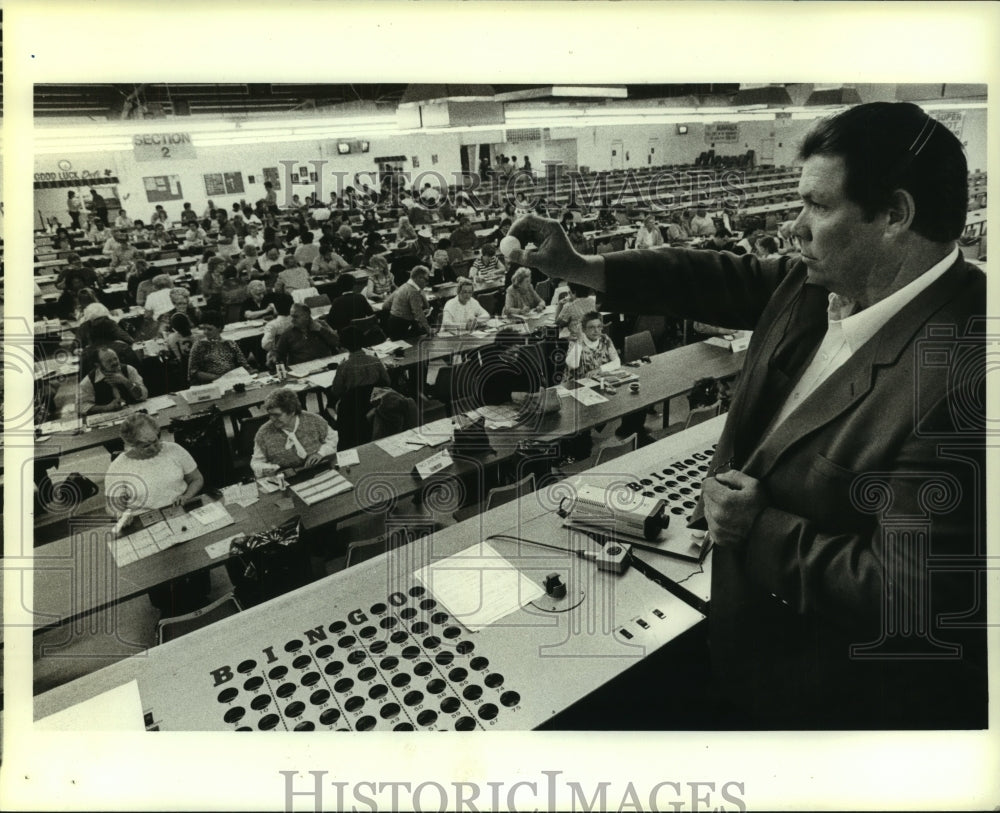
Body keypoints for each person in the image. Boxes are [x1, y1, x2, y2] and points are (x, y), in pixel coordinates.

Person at [505, 101, 987, 730]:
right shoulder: (824, 283)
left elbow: (906, 593)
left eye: (816, 206)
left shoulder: (965, 376)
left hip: (826, 701)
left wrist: (756, 528)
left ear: (895, 214)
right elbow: (708, 277)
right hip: (746, 641)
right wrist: (581, 267)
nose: (795, 227)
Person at [105, 413, 204, 514]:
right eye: (146, 446)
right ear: (131, 445)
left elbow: (196, 479)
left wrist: (187, 496)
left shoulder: (174, 449)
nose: (154, 448)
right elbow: (111, 507)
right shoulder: (118, 466)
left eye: (155, 441)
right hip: (144, 516)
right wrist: (120, 515)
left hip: (180, 508)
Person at [250, 388, 338, 476]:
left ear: (292, 412)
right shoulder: (263, 433)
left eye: (277, 415)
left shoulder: (314, 420)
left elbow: (333, 439)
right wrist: (264, 468)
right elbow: (256, 462)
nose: (272, 419)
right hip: (286, 476)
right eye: (270, 414)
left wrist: (321, 453)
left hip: (319, 469)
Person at [327, 324, 391, 411]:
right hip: (375, 405)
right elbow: (387, 382)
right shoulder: (376, 360)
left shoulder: (343, 367)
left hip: (353, 408)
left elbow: (336, 391)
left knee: (330, 405)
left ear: (343, 346)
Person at [78, 347, 148, 415]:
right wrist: (106, 408)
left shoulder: (129, 370)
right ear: (98, 365)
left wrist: (126, 382)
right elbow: (81, 407)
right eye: (109, 361)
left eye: (115, 359)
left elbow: (143, 395)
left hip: (134, 414)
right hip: (107, 418)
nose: (114, 362)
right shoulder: (89, 381)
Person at [188, 310, 251, 383]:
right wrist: (219, 378)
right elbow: (193, 372)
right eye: (204, 329)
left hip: (233, 381)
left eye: (209, 329)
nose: (205, 332)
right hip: (211, 384)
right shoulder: (199, 345)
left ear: (219, 328)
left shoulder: (230, 344)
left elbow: (244, 365)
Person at [275, 303, 340, 366]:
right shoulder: (288, 332)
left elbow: (337, 342)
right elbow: (279, 353)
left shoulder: (321, 325)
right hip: (302, 369)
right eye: (291, 316)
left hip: (325, 365)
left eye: (295, 317)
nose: (292, 320)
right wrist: (273, 357)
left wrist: (321, 330)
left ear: (307, 316)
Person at [564, 311, 620, 379]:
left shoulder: (604, 339)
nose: (596, 330)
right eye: (591, 327)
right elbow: (573, 365)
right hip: (576, 384)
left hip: (596, 380)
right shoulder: (575, 342)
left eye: (599, 326)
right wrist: (579, 341)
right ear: (583, 329)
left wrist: (599, 370)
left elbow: (617, 362)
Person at [386, 265, 433, 339]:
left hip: (393, 321)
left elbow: (386, 305)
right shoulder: (413, 291)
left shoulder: (404, 286)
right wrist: (429, 330)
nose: (427, 283)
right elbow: (418, 313)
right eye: (426, 280)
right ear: (419, 278)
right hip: (402, 325)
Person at [261, 292, 295, 367]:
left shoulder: (272, 325)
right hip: (296, 353)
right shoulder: (296, 321)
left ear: (275, 308)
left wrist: (275, 346)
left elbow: (265, 345)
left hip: (279, 358)